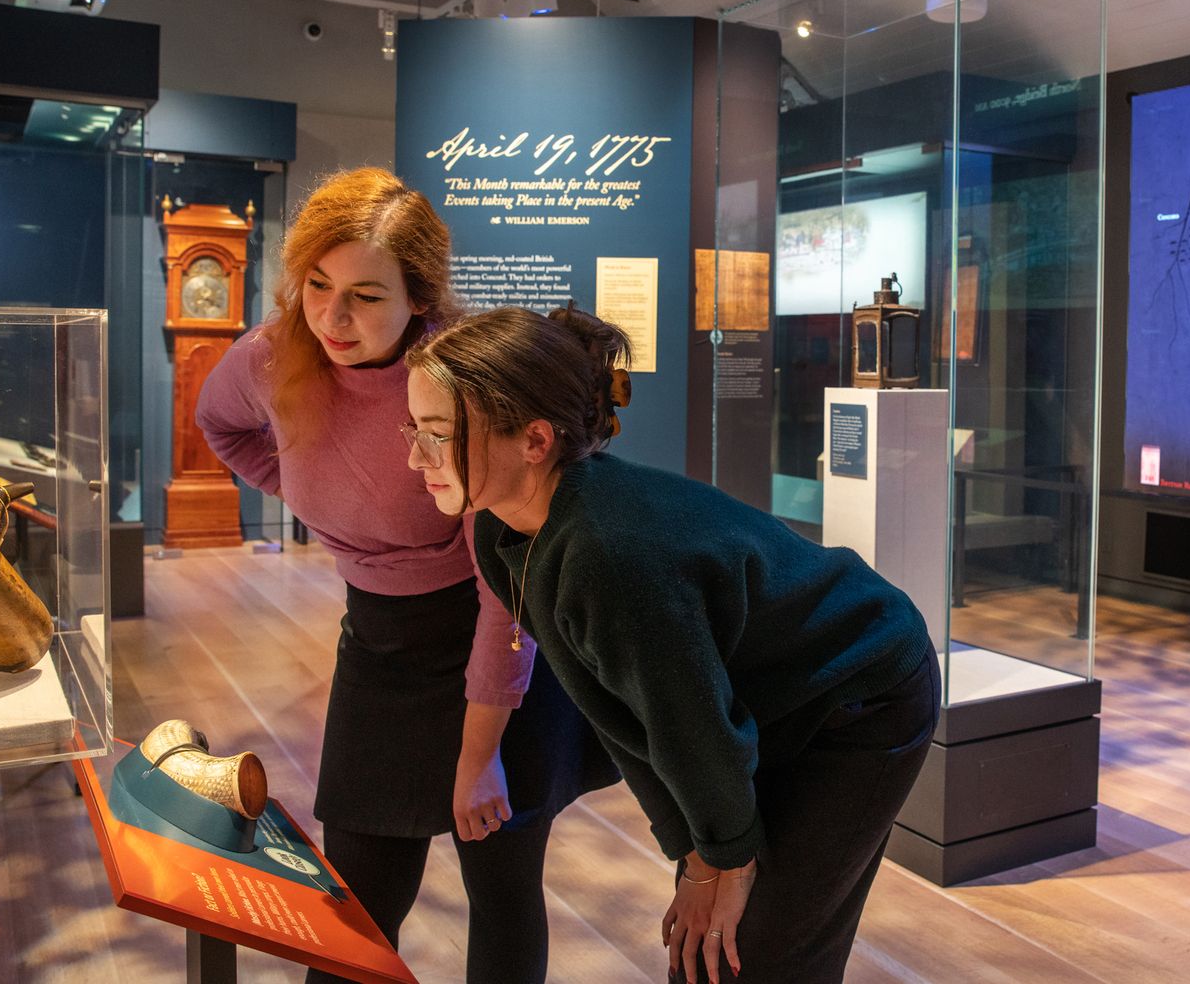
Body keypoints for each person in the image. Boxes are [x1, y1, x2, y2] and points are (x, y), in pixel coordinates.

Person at [403, 304, 942, 984]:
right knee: (712, 954)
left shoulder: (607, 556)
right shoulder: (503, 531)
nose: (414, 457)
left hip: (864, 688)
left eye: (437, 435)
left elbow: (688, 729)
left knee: (752, 956)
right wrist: (699, 853)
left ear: (535, 440)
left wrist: (720, 859)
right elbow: (623, 720)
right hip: (762, 698)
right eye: (415, 430)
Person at [194, 169, 615, 984]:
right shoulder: (274, 355)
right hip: (380, 646)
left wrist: (478, 753)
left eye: (364, 295)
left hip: (496, 646)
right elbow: (221, 424)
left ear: (419, 298)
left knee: (500, 884)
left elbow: (505, 588)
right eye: (316, 285)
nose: (333, 317)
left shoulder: (458, 380)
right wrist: (330, 507)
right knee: (359, 898)